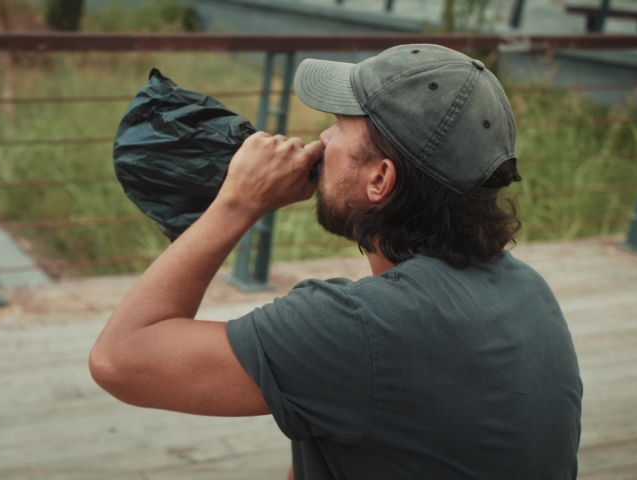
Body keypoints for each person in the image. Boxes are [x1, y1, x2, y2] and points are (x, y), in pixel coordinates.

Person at [89, 44, 583, 479]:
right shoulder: (530, 291)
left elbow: (119, 359)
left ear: (380, 180)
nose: (322, 140)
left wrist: (238, 201)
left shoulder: (361, 328)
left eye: (339, 125)